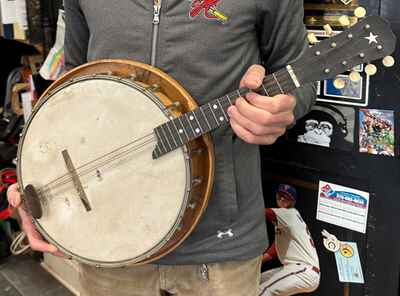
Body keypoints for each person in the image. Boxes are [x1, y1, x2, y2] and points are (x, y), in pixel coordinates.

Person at [8, 1, 317, 295]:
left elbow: (301, 78)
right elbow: (73, 87)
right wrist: (36, 179)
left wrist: (280, 110)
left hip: (220, 245)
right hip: (108, 240)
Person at [259, 184, 320, 296]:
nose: (282, 198)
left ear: (293, 201)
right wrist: (260, 260)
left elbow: (262, 212)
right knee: (259, 280)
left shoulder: (288, 213)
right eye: (280, 195)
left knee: (264, 290)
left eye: (286, 196)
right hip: (299, 270)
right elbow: (277, 248)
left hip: (303, 270)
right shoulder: (288, 220)